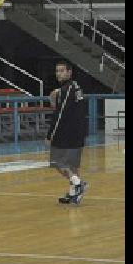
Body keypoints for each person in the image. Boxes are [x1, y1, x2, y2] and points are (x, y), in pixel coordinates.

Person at [46, 60, 88, 205]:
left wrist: (49, 135)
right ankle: (73, 193)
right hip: (78, 131)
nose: (59, 73)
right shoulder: (75, 87)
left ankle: (78, 183)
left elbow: (59, 113)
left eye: (62, 70)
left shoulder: (67, 89)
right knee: (72, 165)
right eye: (57, 71)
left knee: (56, 161)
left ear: (69, 72)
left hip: (67, 131)